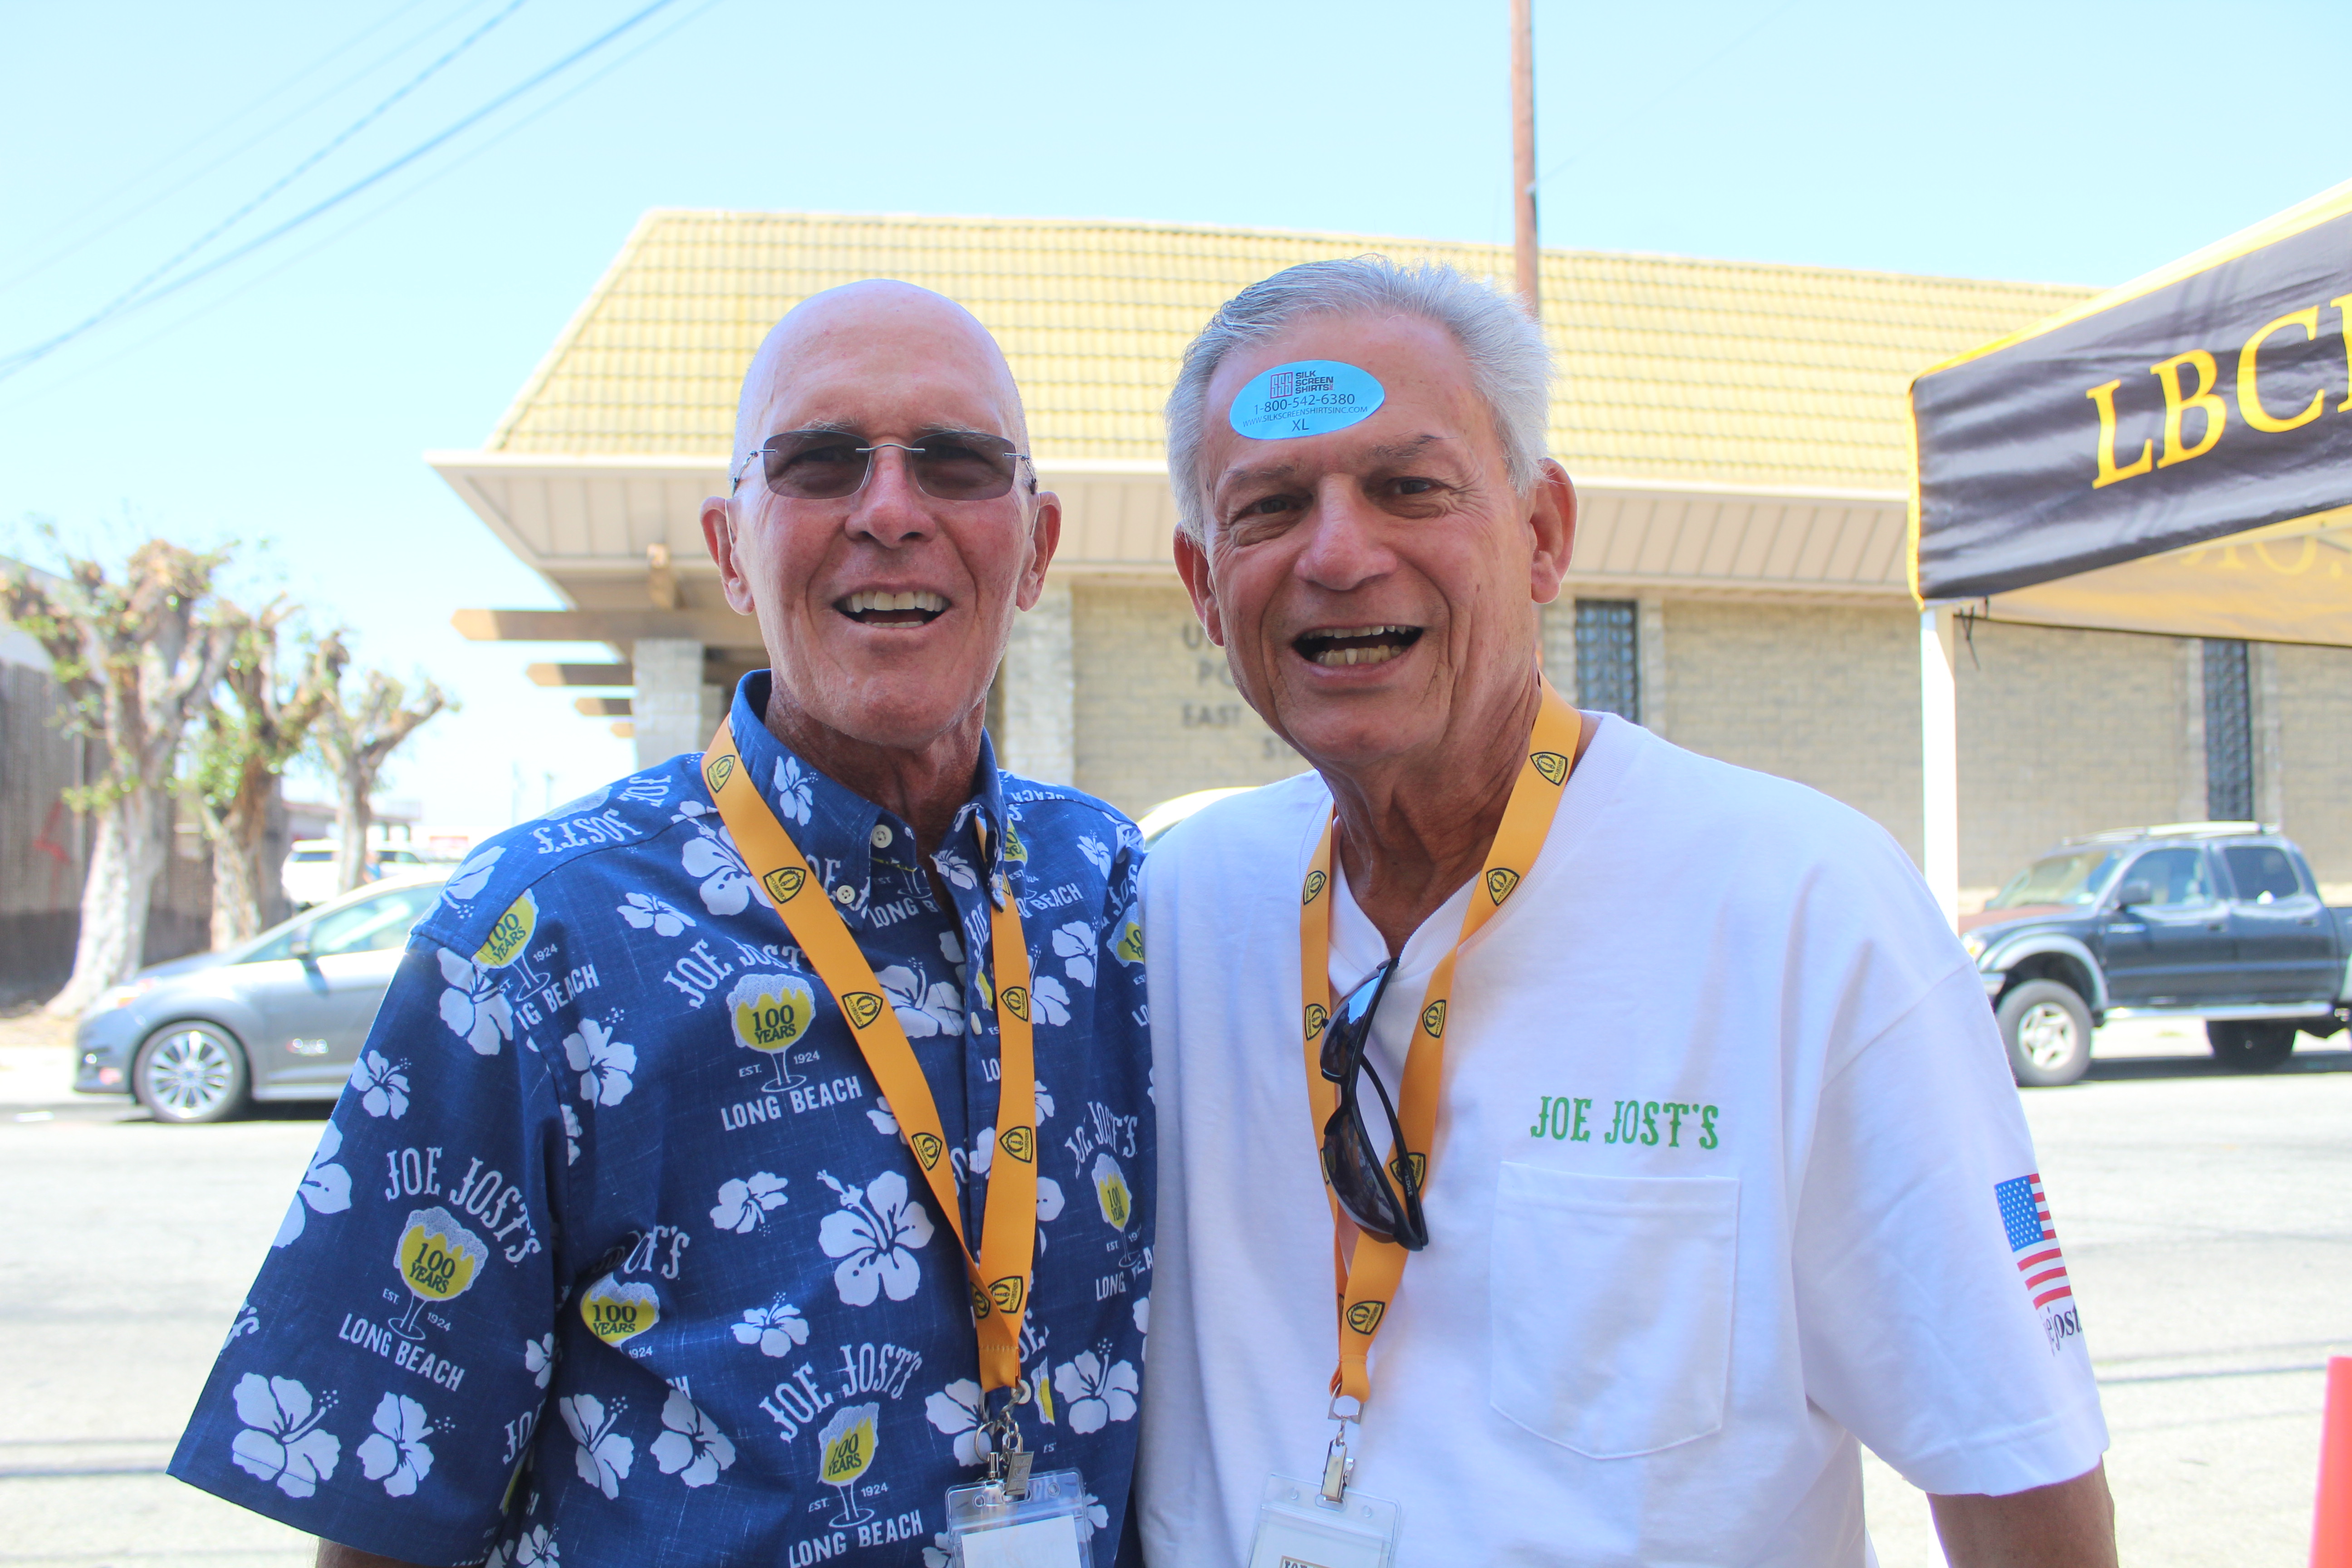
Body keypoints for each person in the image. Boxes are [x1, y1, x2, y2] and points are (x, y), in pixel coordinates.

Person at [1133, 257, 2114, 1567]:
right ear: (1205, 585)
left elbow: (2015, 1482)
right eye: (1269, 509)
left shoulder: (1803, 907)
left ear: (1543, 534)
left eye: (1409, 488)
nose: (1339, 552)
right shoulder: (1172, 914)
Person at [169, 282, 1154, 1567]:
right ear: (732, 545)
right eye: (820, 462)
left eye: (957, 464)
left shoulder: (1115, 891)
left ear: (1036, 547)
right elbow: (388, 1513)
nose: (892, 509)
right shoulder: (535, 932)